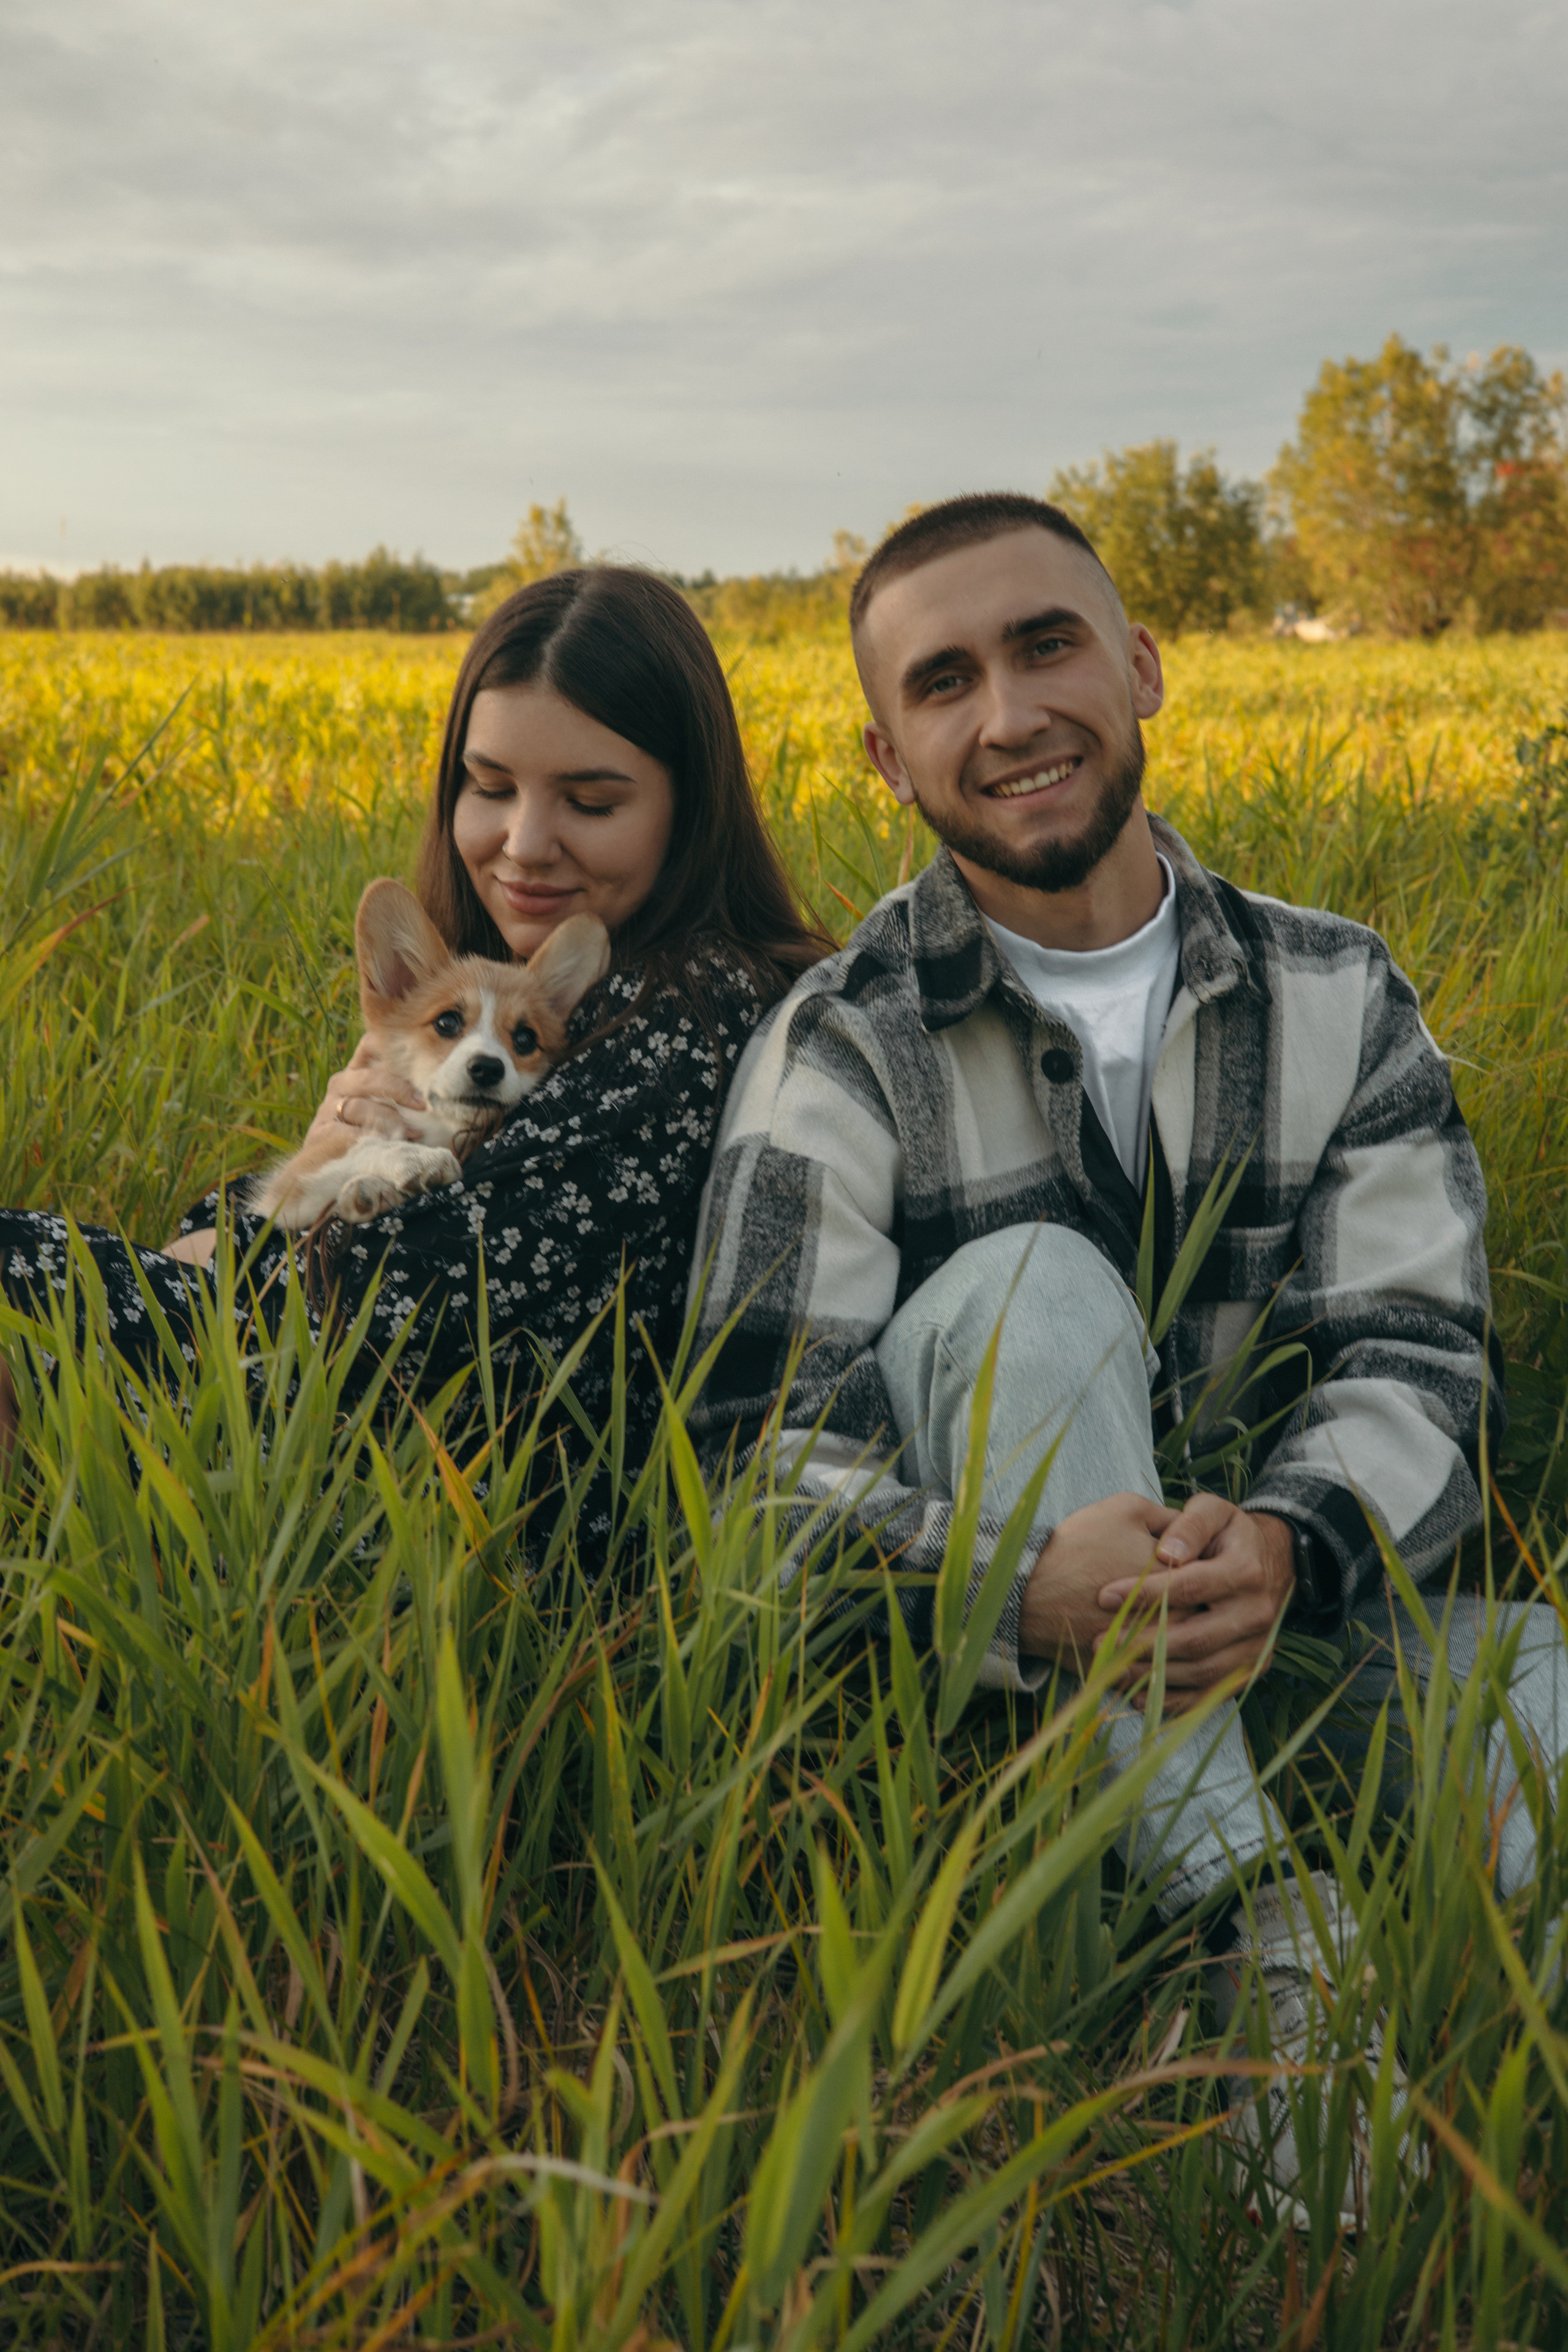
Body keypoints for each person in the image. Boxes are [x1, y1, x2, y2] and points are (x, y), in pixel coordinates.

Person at [687, 492, 1568, 2218]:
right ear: (889, 754)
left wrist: (1287, 1539)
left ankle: (1475, 2065)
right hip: (982, 1706)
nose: (1008, 715)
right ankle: (1246, 1930)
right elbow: (749, 1468)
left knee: (1540, 1677)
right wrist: (1016, 1585)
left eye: (1046, 645)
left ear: (1141, 666)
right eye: (945, 682)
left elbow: (1421, 1357)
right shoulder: (842, 1046)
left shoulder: (1339, 993)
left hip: (1295, 1629)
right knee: (1036, 1285)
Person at [0, 567, 828, 1548]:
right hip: (354, 1393)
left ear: (688, 808)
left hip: (457, 1477)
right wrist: (280, 1183)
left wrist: (217, 1253)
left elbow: (432, 1285)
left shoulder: (689, 1012)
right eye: (489, 788)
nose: (523, 844)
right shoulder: (526, 981)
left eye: (592, 802)